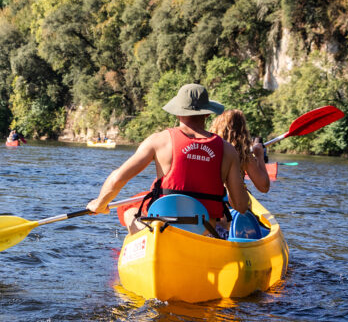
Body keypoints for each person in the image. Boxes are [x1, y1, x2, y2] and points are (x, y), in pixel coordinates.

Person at [86, 83, 248, 236]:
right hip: (204, 232)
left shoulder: (158, 141)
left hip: (163, 228)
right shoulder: (227, 150)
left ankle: (147, 242)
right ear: (207, 113)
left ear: (178, 112)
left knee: (128, 211)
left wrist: (99, 204)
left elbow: (117, 179)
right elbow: (240, 206)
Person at [211, 109, 270, 193]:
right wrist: (259, 156)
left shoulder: (209, 147)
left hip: (209, 197)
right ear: (242, 130)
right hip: (232, 198)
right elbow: (264, 187)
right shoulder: (243, 154)